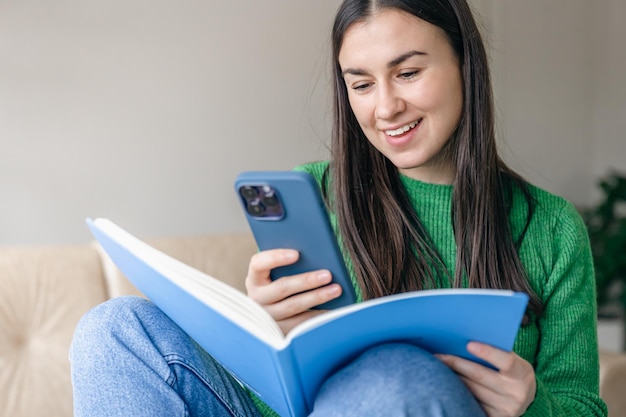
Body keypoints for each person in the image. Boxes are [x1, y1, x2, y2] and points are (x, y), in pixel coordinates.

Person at [69, 0, 608, 416]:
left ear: (465, 64)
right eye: (361, 84)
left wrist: (529, 403)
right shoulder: (315, 193)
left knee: (394, 372)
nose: (385, 107)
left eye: (408, 72)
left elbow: (582, 405)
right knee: (113, 328)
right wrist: (264, 326)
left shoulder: (550, 228)